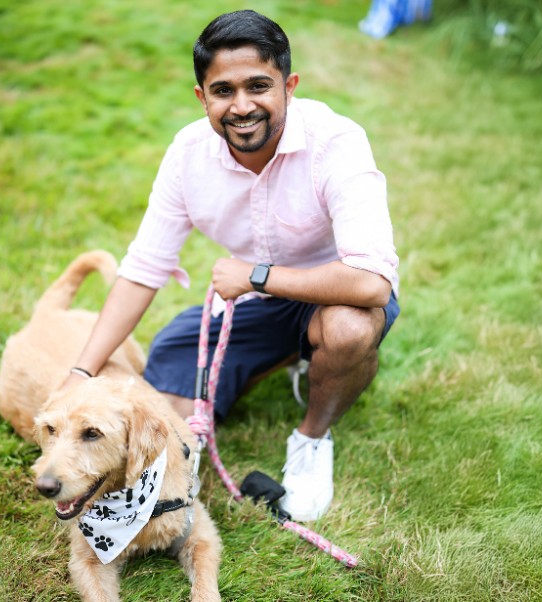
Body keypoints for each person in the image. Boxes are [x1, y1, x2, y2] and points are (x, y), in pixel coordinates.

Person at [60, 9, 400, 522]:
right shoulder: (187, 154)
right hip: (254, 305)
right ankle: (294, 357)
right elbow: (144, 267)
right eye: (223, 91)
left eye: (259, 86)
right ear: (203, 97)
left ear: (289, 85)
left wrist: (255, 276)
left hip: (335, 294)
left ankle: (311, 438)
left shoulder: (337, 142)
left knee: (350, 331)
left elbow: (372, 283)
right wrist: (81, 371)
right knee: (168, 394)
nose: (242, 106)